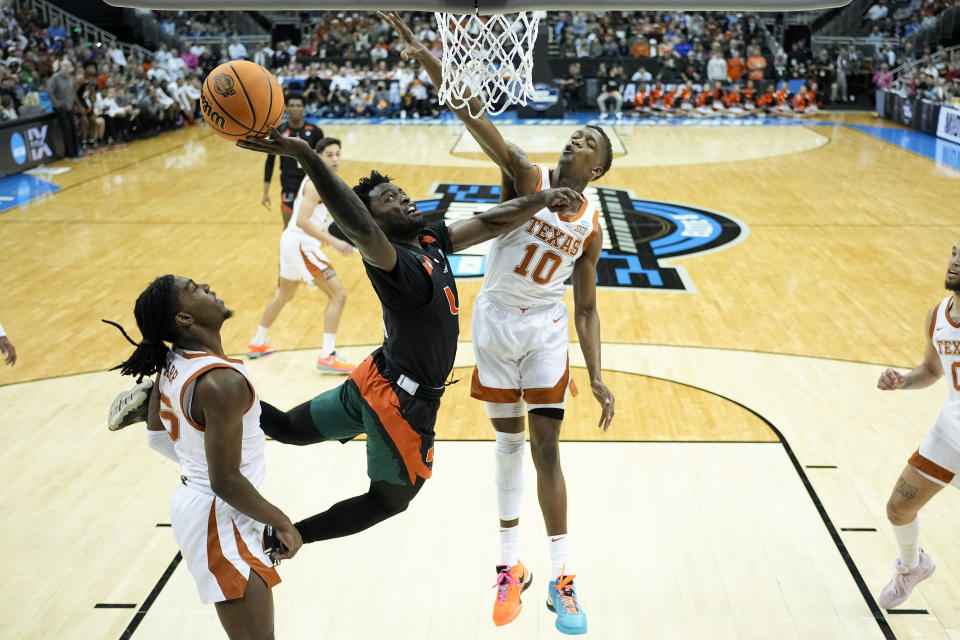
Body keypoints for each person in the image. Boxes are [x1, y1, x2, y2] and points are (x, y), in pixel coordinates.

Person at [233, 125, 581, 553]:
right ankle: (290, 537)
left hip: (373, 379)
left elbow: (491, 222)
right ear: (374, 220)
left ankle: (215, 395)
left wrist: (541, 200)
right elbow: (358, 226)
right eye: (389, 200)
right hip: (400, 405)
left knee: (287, 427)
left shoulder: (430, 239)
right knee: (388, 500)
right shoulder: (388, 259)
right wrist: (307, 156)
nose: (403, 199)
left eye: (400, 193)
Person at [381, 11, 615, 635]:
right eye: (574, 135)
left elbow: (587, 307)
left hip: (543, 328)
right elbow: (469, 109)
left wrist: (596, 374)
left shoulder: (591, 226)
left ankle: (563, 578)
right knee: (507, 446)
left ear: (599, 169)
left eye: (589, 141)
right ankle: (509, 568)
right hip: (492, 322)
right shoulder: (526, 175)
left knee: (546, 448)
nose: (575, 142)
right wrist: (422, 49)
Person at [104, 275, 301, 640]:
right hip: (218, 513)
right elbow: (224, 480)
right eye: (194, 289)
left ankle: (150, 397)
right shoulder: (220, 383)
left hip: (208, 507)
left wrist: (159, 402)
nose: (207, 286)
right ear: (184, 319)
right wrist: (284, 522)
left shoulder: (172, 360)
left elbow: (155, 437)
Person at [875, 241, 960, 609]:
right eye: (955, 252)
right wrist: (903, 381)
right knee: (898, 508)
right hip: (950, 432)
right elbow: (930, 370)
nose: (954, 261)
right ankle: (912, 566)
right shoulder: (938, 315)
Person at [247, 137, 357, 373]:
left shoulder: (323, 179)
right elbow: (302, 220)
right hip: (300, 244)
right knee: (339, 296)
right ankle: (328, 355)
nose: (336, 158)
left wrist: (321, 237)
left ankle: (257, 342)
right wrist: (334, 241)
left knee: (284, 295)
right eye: (330, 154)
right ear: (318, 156)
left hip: (292, 242)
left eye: (338, 154)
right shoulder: (316, 183)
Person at [261, 93, 324, 227]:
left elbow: (322, 162)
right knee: (288, 228)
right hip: (289, 184)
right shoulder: (278, 132)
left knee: (313, 229)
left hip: (310, 184)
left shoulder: (315, 131)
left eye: (299, 106)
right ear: (286, 108)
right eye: (292, 106)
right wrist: (265, 192)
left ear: (304, 108)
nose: (295, 108)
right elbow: (270, 162)